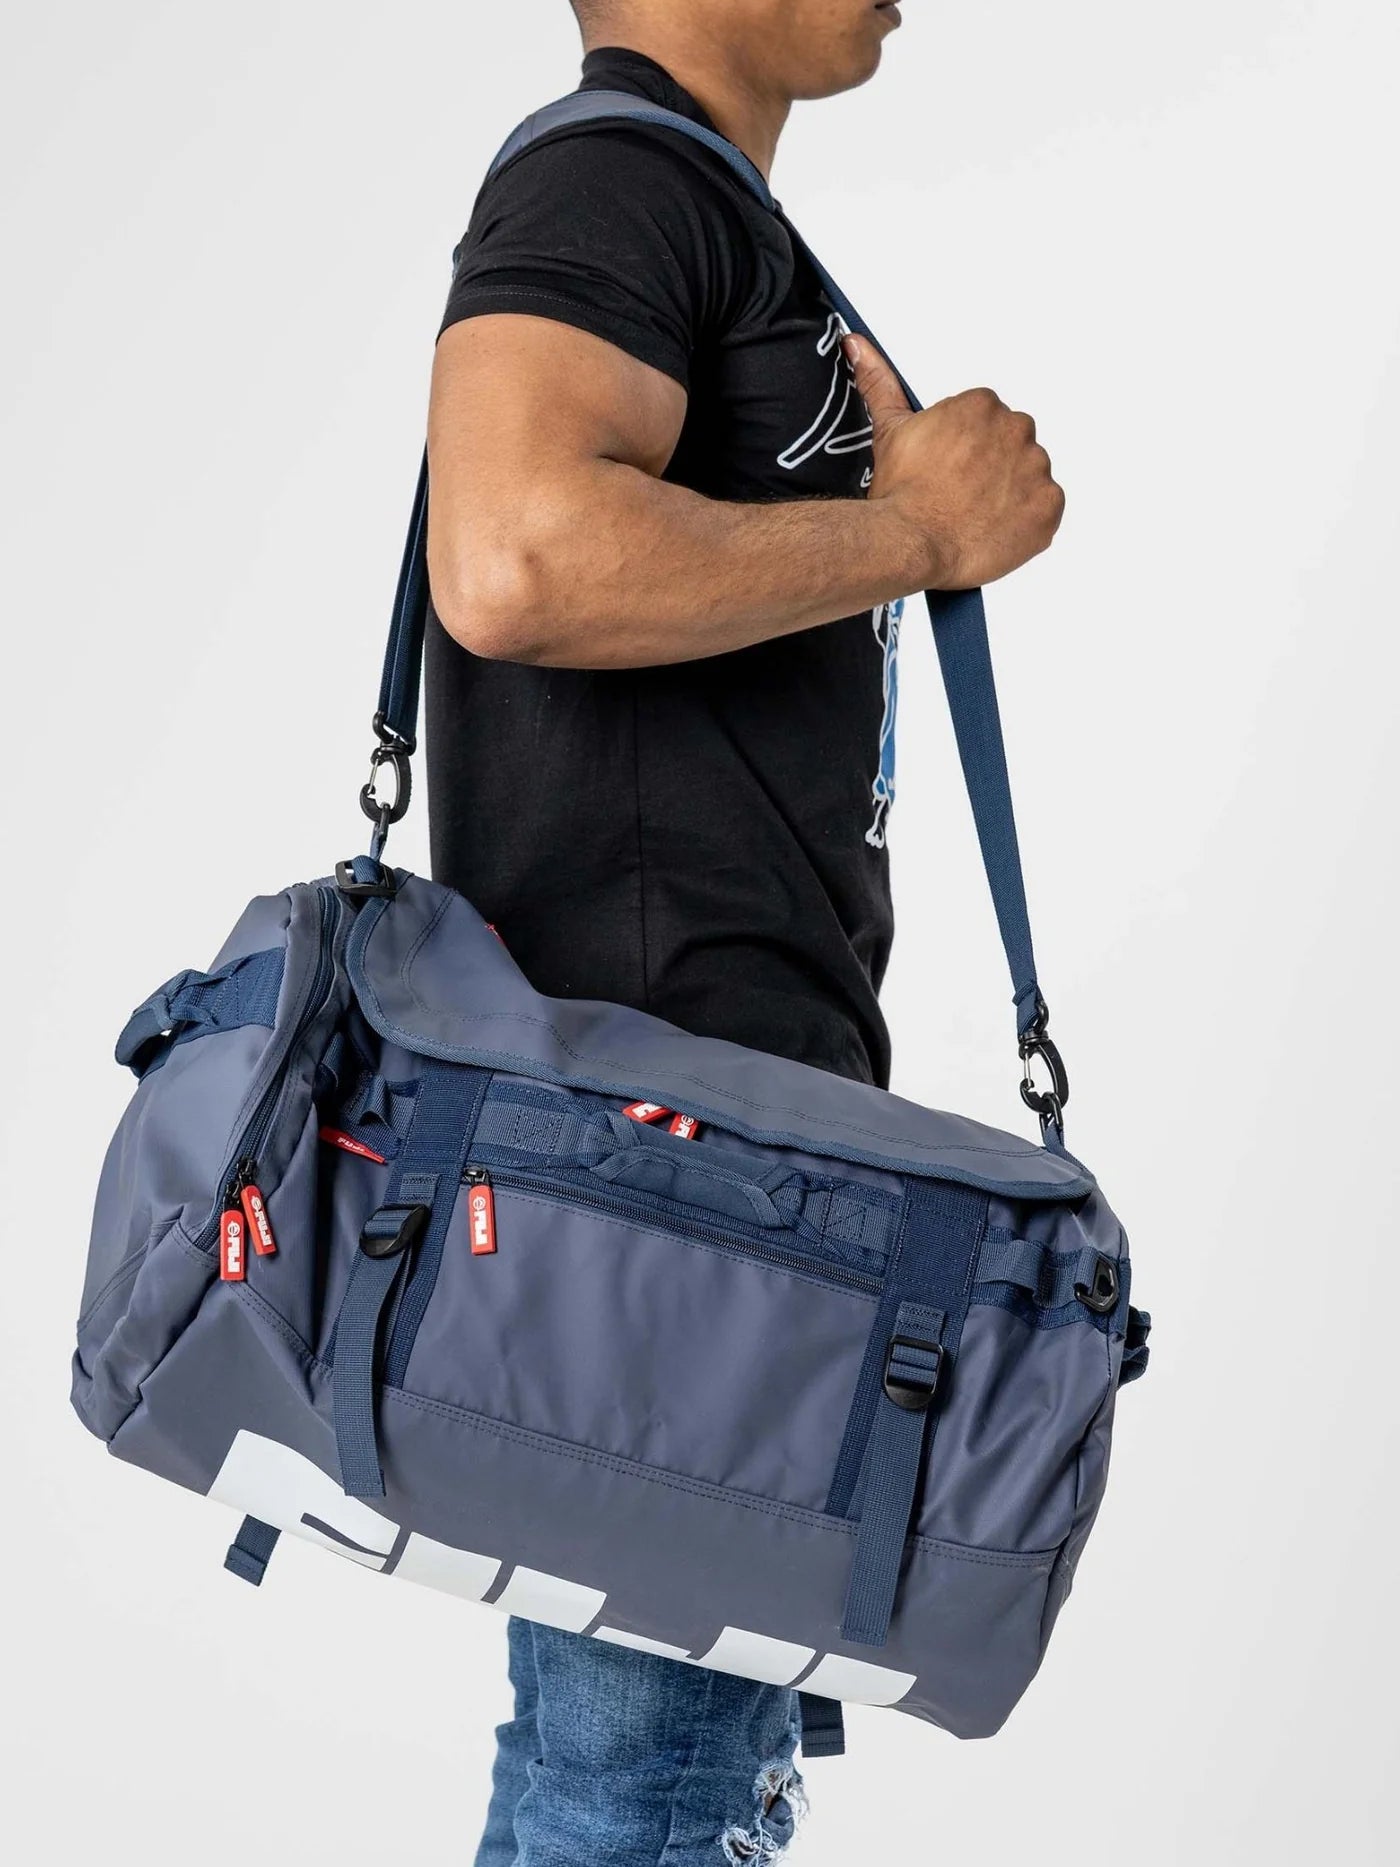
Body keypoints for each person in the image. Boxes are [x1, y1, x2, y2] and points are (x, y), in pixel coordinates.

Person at [425, 3, 1064, 1861]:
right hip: (664, 1174)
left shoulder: (701, 208)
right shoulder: (614, 180)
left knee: (667, 1781)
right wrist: (917, 536)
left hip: (703, 1157)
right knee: (642, 1789)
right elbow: (512, 557)